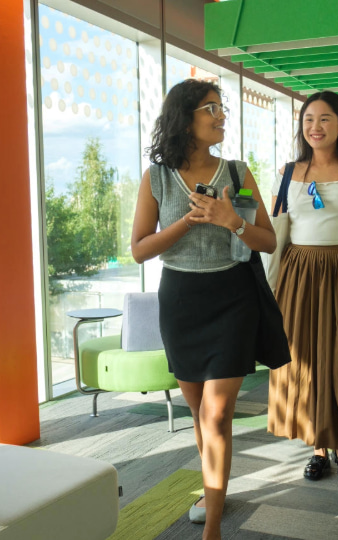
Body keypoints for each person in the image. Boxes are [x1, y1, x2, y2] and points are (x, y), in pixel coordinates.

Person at [130, 79, 276, 540]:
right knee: (198, 414)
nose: (220, 115)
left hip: (232, 299)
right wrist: (188, 222)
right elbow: (139, 249)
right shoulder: (155, 178)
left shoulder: (237, 175)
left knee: (216, 416)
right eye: (210, 108)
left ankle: (212, 527)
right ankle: (213, 489)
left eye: (221, 107)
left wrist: (231, 220)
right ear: (184, 117)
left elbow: (267, 240)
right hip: (181, 301)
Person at [267, 91, 338, 483]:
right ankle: (318, 447)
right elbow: (271, 233)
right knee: (307, 362)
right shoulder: (286, 173)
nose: (315, 127)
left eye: (325, 119)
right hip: (298, 275)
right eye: (308, 120)